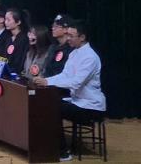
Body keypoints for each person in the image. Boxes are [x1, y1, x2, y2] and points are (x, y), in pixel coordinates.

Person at [32, 20, 106, 161]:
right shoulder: (74, 54)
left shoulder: (90, 57)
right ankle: (45, 145)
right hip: (77, 101)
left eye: (71, 36)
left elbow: (76, 82)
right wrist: (46, 80)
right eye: (68, 35)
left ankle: (62, 152)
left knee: (53, 107)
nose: (68, 39)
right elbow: (64, 75)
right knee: (47, 102)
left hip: (90, 106)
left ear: (82, 37)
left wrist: (48, 81)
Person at [3, 7, 31, 75]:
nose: (5, 22)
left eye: (8, 20)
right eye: (5, 19)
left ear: (18, 22)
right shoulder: (8, 38)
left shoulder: (24, 39)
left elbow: (20, 61)